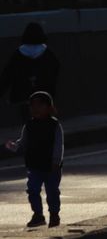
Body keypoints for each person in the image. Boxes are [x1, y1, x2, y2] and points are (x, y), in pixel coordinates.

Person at [8, 90, 64, 227]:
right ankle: (38, 215)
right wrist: (14, 146)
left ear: (49, 107)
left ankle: (54, 214)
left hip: (51, 166)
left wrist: (56, 161)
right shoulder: (29, 125)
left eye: (40, 105)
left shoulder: (54, 125)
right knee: (32, 190)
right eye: (33, 106)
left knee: (52, 191)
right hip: (34, 165)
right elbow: (23, 141)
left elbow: (58, 144)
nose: (36, 109)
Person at [1, 21, 60, 121]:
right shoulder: (48, 54)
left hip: (22, 96)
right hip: (43, 95)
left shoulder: (18, 54)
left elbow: (7, 75)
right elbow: (55, 71)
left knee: (27, 121)